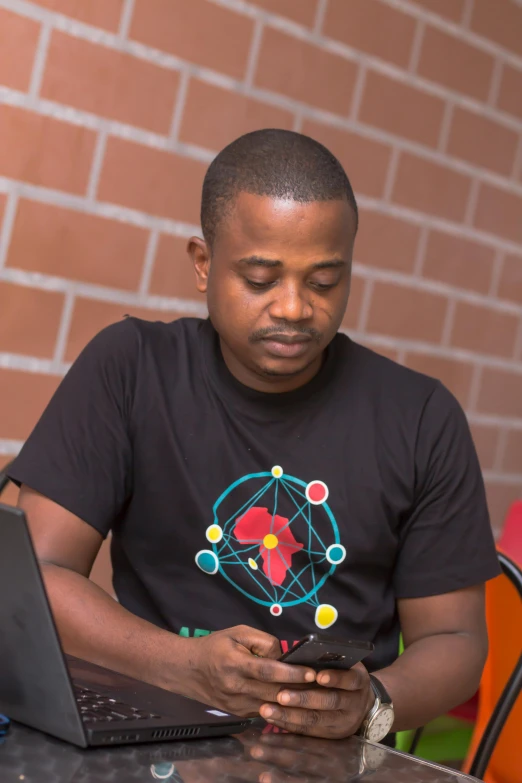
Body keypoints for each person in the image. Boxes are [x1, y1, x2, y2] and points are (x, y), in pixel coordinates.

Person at [8, 129, 500, 745]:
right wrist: (181, 666)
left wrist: (374, 704)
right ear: (204, 263)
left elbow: (453, 639)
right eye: (262, 278)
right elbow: (36, 574)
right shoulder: (132, 368)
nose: (294, 308)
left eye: (324, 282)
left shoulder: (421, 417)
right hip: (146, 726)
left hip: (323, 753)